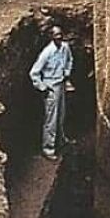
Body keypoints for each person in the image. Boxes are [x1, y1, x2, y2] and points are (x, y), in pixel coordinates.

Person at [29, 25, 74, 160]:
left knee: (61, 115)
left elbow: (69, 60)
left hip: (61, 84)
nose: (59, 37)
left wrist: (66, 74)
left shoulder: (65, 47)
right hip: (51, 86)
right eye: (56, 35)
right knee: (51, 120)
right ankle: (48, 149)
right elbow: (34, 73)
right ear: (51, 37)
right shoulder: (47, 52)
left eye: (60, 34)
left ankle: (61, 140)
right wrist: (43, 88)